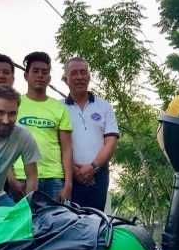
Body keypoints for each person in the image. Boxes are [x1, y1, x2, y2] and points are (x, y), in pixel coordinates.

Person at [9, 51, 73, 202]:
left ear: (49, 78)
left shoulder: (59, 108)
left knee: (55, 225)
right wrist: (11, 178)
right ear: (26, 75)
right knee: (23, 225)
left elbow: (67, 148)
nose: (40, 75)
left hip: (53, 179)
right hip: (21, 177)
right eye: (35, 71)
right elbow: (4, 143)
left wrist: (68, 183)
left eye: (44, 72)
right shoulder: (14, 104)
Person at [62, 57, 119, 210]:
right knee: (69, 223)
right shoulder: (58, 107)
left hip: (98, 176)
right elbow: (55, 144)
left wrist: (92, 167)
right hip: (67, 176)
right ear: (65, 79)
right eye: (74, 73)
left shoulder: (104, 106)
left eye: (83, 72)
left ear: (89, 76)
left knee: (95, 223)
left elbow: (111, 141)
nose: (79, 77)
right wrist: (73, 170)